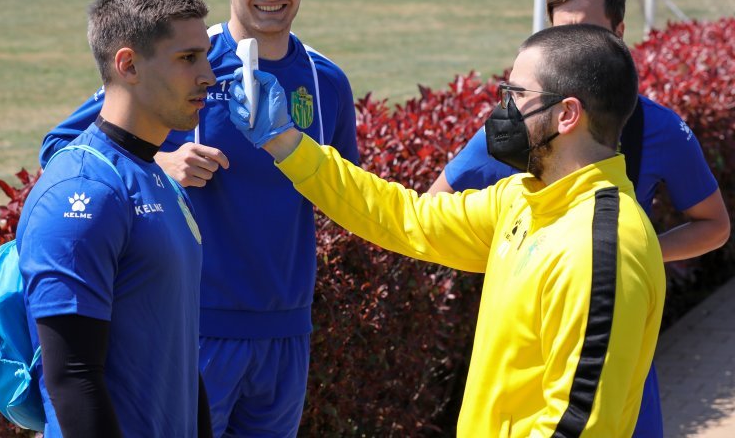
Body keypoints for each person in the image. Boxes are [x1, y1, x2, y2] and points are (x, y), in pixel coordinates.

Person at [229, 23, 667, 437]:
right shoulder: (522, 198)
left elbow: (577, 424)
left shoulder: (602, 247)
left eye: (515, 94)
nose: (502, 110)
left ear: (567, 114)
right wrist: (284, 142)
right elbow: (406, 218)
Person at [38, 0, 359, 437]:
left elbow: (349, 194)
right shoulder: (183, 59)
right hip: (193, 326)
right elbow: (62, 150)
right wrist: (159, 166)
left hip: (287, 327)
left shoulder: (327, 82)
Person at [427, 0, 730, 437]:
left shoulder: (661, 128)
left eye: (588, 29)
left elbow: (714, 224)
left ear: (620, 33)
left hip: (614, 350)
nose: (572, 44)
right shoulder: (524, 120)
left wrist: (638, 252)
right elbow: (436, 203)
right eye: (559, 30)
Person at [18, 0, 215, 436]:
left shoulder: (157, 176)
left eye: (204, 55)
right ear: (127, 64)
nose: (208, 74)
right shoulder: (82, 192)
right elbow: (72, 378)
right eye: (188, 58)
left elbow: (180, 353)